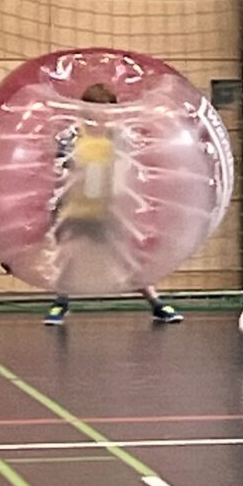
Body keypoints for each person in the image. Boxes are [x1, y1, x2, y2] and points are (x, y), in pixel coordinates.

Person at [44, 81, 181, 327]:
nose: (101, 114)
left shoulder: (120, 137)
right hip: (74, 206)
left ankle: (155, 302)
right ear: (85, 109)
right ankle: (60, 302)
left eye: (106, 109)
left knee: (127, 258)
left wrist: (120, 203)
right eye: (96, 108)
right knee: (68, 257)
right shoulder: (71, 136)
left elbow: (127, 173)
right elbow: (61, 171)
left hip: (107, 208)